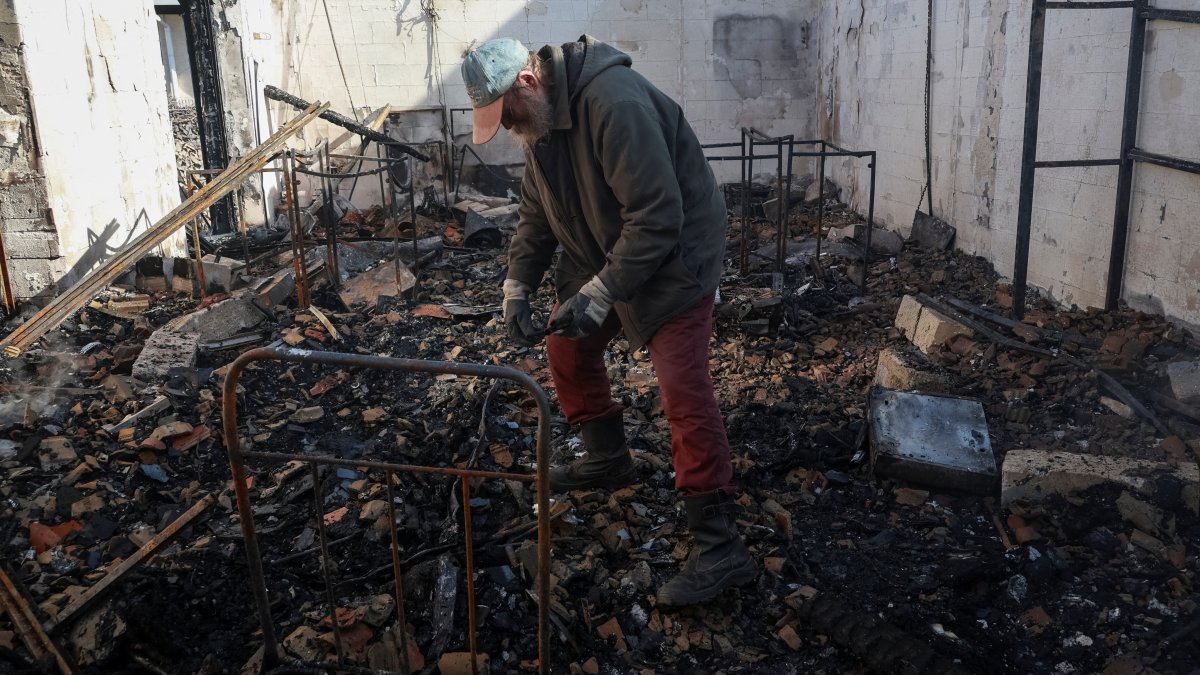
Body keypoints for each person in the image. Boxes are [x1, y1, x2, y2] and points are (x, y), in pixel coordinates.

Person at [461, 36, 755, 606]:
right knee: (566, 349)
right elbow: (537, 213)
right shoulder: (541, 120)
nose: (509, 127)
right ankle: (607, 458)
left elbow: (657, 215)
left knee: (682, 389)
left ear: (526, 83)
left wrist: (602, 292)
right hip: (605, 245)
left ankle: (720, 546)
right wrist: (516, 287)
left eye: (508, 113)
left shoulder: (612, 103)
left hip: (676, 256)